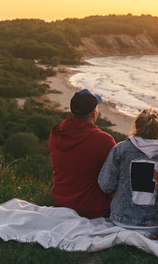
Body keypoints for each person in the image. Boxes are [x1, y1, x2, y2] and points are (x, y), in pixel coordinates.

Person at [98, 108, 158, 235]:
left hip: (122, 222)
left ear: (136, 127)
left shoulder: (120, 150)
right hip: (156, 224)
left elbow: (106, 186)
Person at [49, 88, 116, 219]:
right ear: (94, 113)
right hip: (93, 210)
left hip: (61, 204)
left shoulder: (55, 134)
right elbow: (116, 176)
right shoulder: (104, 140)